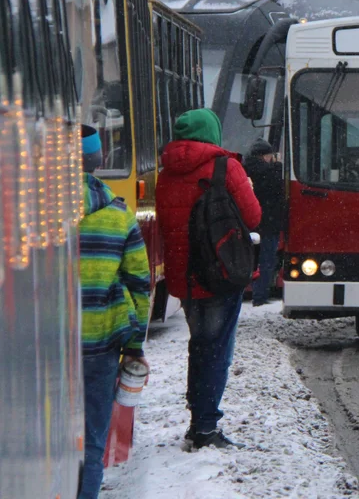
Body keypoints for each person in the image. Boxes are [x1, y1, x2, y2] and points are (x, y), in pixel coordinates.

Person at [156, 109, 261, 450]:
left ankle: (197, 417)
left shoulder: (165, 173)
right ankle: (205, 427)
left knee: (199, 345)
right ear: (211, 132)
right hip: (218, 272)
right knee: (216, 350)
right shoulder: (226, 167)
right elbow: (254, 216)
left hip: (185, 279)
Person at [78, 125, 150, 499]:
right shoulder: (119, 216)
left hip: (42, 349)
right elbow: (140, 285)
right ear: (99, 161)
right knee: (92, 441)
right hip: (101, 347)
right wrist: (135, 345)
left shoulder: (31, 213)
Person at [245, 139, 285, 307]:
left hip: (250, 222)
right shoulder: (272, 172)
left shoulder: (244, 169)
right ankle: (260, 296)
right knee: (267, 260)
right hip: (269, 223)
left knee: (248, 260)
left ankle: (248, 291)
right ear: (265, 155)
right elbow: (279, 190)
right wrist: (278, 166)